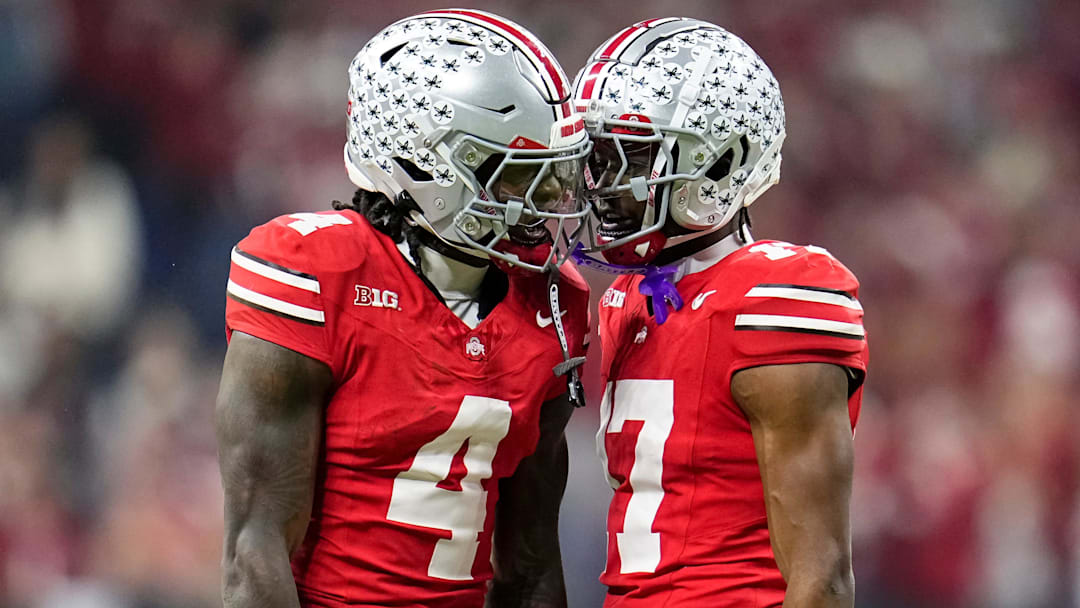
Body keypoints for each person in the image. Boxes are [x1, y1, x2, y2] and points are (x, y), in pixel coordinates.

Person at [215, 10, 592, 608]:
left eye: (553, 173)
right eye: (518, 173)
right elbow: (254, 553)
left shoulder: (552, 300)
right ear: (424, 163)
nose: (546, 199)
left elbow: (530, 564)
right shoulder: (315, 272)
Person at [570, 18, 868, 607]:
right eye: (596, 157)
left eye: (629, 158)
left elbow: (822, 577)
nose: (602, 184)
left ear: (718, 163)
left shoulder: (776, 295)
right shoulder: (629, 300)